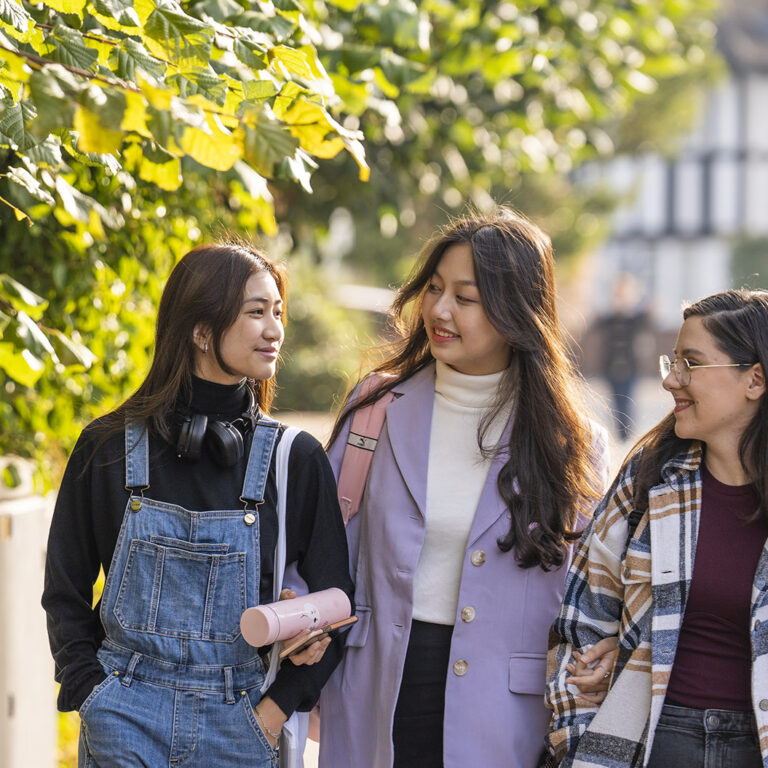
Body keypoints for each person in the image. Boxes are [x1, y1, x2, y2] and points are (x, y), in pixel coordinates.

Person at [318, 208, 612, 768]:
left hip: (504, 710)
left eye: (465, 297)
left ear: (515, 311)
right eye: (433, 288)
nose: (439, 310)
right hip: (377, 683)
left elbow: (593, 586)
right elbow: (321, 537)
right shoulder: (375, 408)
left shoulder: (571, 442)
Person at [42, 243, 354, 767]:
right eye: (256, 312)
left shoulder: (292, 459)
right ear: (201, 331)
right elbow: (64, 593)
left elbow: (341, 602)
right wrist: (93, 696)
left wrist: (274, 711)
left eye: (278, 312)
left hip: (242, 724)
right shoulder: (107, 447)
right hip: (124, 720)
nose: (275, 329)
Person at [545, 289, 768, 768]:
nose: (671, 380)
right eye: (674, 361)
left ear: (755, 379)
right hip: (649, 745)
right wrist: (578, 746)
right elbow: (582, 624)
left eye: (691, 363)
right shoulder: (648, 479)